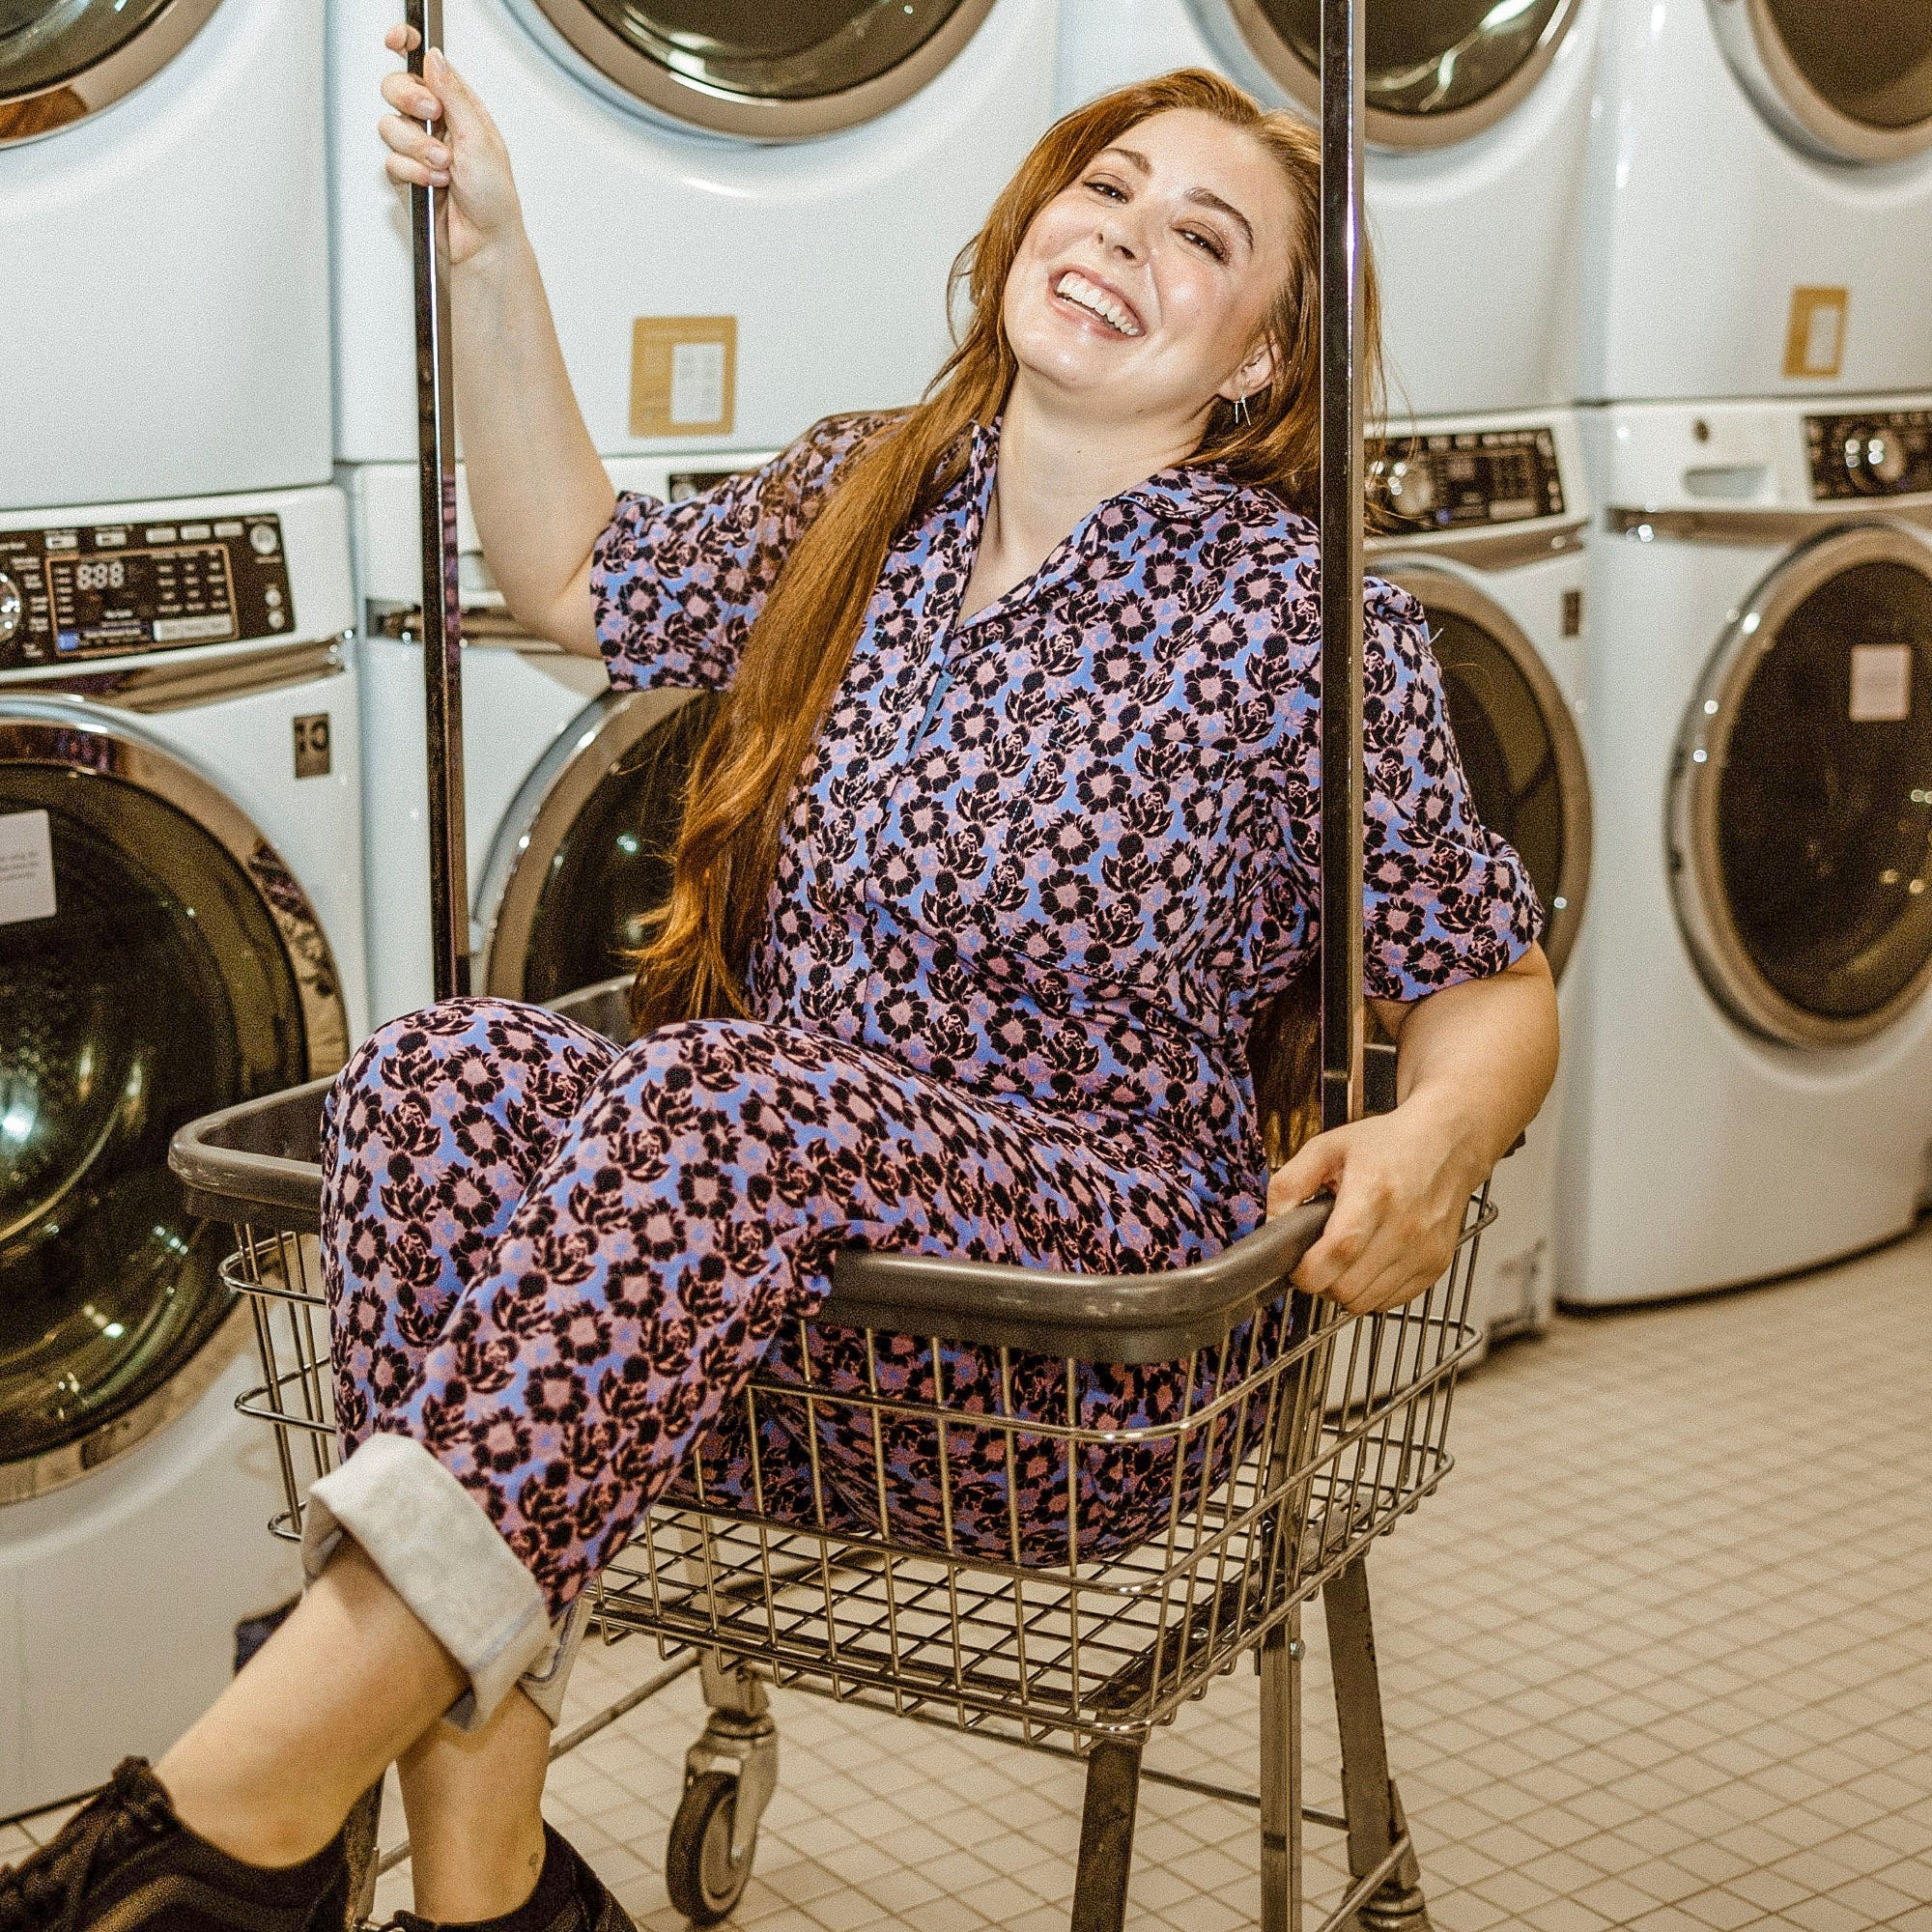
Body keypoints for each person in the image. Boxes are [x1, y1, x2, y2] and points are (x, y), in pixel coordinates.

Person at [1, 37, 1557, 1932]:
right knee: (434, 1076)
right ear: (1028, 224)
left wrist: (1438, 1136)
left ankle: (237, 1796)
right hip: (714, 1306)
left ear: (1259, 360)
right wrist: (490, 251)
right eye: (1105, 187)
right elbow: (576, 572)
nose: (1127, 232)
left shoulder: (1303, 621)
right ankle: (490, 1900)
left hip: (1070, 1331)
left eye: (1203, 232)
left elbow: (1487, 976)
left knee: (726, 1087)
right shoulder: (864, 496)